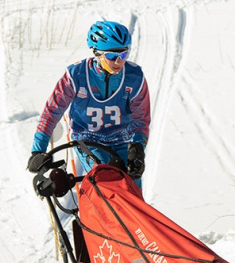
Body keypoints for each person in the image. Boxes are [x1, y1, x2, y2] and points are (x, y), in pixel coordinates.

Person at [26, 20, 151, 187]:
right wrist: (38, 150)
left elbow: (141, 120)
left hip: (122, 139)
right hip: (88, 139)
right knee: (104, 179)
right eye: (112, 56)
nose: (119, 62)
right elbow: (52, 111)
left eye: (123, 55)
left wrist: (137, 148)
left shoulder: (134, 77)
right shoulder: (76, 76)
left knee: (132, 187)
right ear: (97, 53)